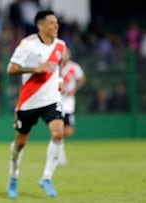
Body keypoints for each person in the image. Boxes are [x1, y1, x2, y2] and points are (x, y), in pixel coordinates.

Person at [6, 10, 66, 199]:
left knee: (58, 133)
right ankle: (13, 177)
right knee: (20, 143)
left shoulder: (61, 45)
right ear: (40, 26)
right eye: (51, 23)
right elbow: (11, 69)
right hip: (29, 100)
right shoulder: (28, 44)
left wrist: (60, 80)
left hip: (51, 99)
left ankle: (46, 177)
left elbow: (60, 63)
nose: (56, 26)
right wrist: (34, 69)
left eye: (56, 22)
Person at [58, 49, 86, 165]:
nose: (65, 56)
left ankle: (57, 143)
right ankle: (59, 154)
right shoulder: (55, 68)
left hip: (68, 103)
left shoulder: (74, 67)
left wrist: (75, 89)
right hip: (56, 102)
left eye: (67, 53)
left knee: (68, 131)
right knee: (58, 129)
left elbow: (82, 79)